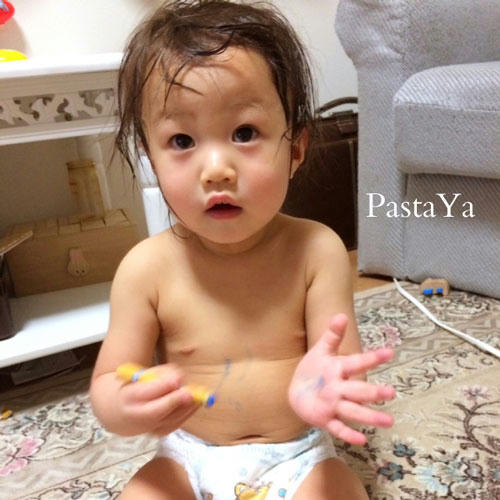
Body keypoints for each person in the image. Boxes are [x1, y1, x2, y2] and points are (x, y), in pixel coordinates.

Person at [89, 1, 396, 498]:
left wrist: (326, 388)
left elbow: (341, 365)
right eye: (182, 140)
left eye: (245, 133)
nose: (216, 169)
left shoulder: (317, 250)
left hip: (298, 454)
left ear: (295, 149)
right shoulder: (145, 268)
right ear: (150, 157)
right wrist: (124, 407)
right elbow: (109, 382)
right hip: (187, 455)